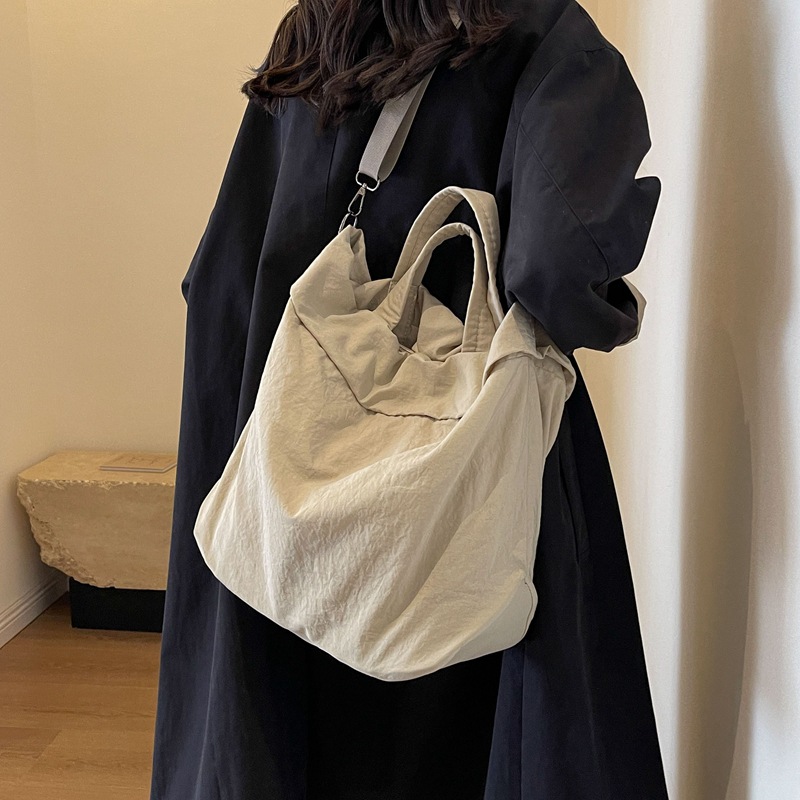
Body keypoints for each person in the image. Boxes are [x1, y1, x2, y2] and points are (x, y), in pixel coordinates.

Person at [149, 0, 669, 798]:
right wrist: (613, 312)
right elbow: (553, 266)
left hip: (290, 425)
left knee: (276, 700)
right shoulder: (542, 35)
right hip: (456, 449)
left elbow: (219, 267)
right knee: (464, 699)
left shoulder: (315, 25)